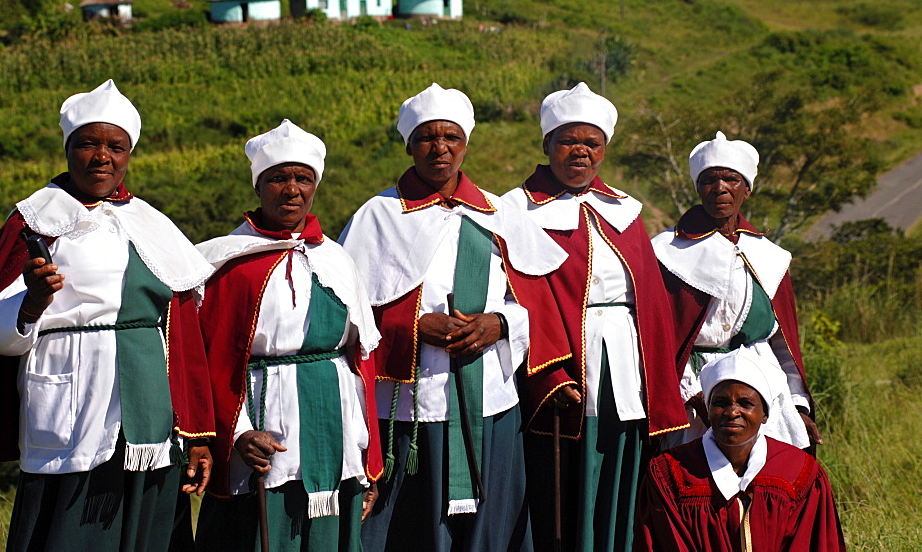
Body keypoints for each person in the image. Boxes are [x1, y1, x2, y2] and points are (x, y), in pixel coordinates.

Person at [0, 79, 216, 550]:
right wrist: (30, 303)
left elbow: (181, 330)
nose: (102, 156)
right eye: (88, 144)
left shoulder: (149, 222)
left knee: (149, 528)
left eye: (116, 146)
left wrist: (197, 429)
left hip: (149, 408)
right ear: (68, 149)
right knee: (70, 530)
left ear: (130, 155)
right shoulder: (35, 219)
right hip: (72, 395)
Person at [340, 83, 567, 552]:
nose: (439, 148)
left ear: (466, 143)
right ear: (409, 144)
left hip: (489, 399)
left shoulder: (498, 212)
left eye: (451, 138)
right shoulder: (376, 216)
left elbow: (535, 301)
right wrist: (416, 325)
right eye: (426, 137)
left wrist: (499, 325)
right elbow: (346, 309)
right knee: (413, 526)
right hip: (408, 404)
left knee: (492, 525)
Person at [500, 82, 687, 551]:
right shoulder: (513, 209)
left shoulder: (624, 209)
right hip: (563, 369)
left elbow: (654, 307)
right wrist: (552, 375)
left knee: (625, 470)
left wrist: (663, 381)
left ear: (605, 149)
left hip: (627, 365)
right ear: (546, 145)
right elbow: (516, 299)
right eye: (568, 141)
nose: (580, 152)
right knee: (565, 478)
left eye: (592, 143)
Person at [192, 119, 383, 551]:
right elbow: (212, 360)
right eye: (279, 178)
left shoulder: (336, 259)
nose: (292, 189)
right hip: (264, 424)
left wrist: (367, 458)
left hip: (335, 430)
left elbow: (360, 361)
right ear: (259, 186)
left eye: (303, 178)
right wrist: (238, 432)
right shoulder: (226, 262)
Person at [651, 132, 818, 450]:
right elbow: (659, 338)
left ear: (748, 188)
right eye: (709, 180)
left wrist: (798, 404)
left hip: (763, 389)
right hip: (692, 392)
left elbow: (783, 344)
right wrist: (692, 394)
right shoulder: (665, 253)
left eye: (731, 179)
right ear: (698, 187)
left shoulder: (769, 257)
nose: (720, 189)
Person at [634, 351, 845, 550]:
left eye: (746, 403)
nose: (732, 412)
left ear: (765, 414)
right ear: (707, 409)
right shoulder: (671, 474)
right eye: (720, 403)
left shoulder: (799, 473)